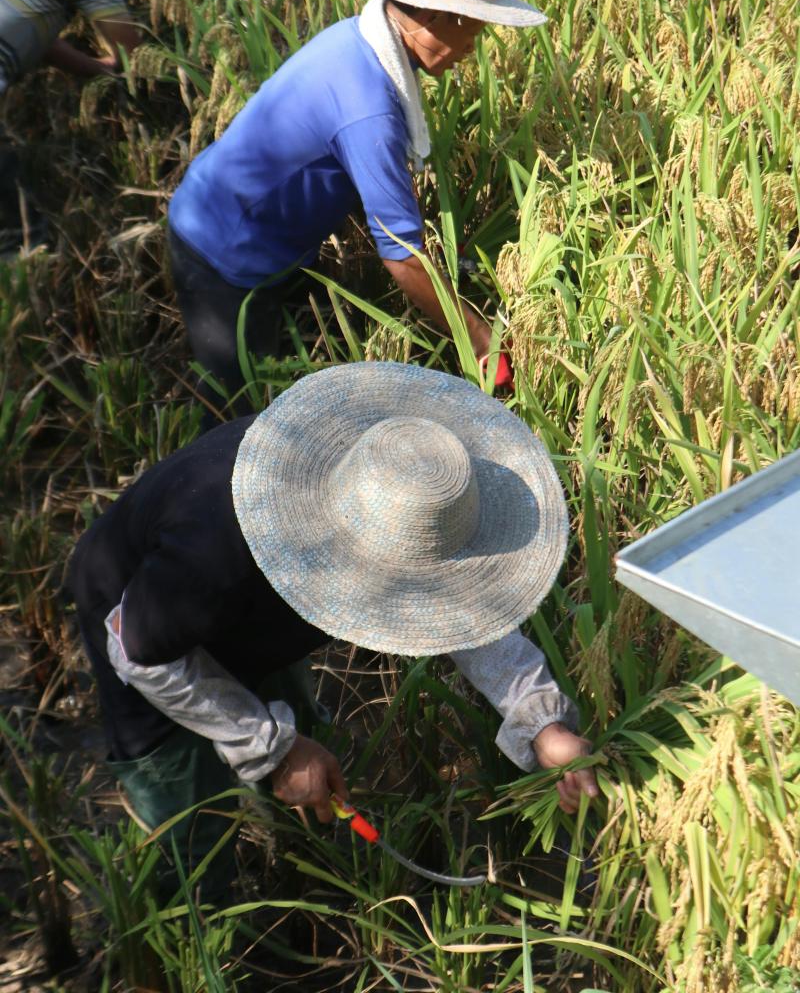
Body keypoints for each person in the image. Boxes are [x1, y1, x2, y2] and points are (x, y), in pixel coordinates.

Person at [67, 360, 599, 899]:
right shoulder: (214, 558)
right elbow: (135, 652)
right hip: (139, 626)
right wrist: (270, 747)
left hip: (252, 614)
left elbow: (459, 601)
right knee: (188, 840)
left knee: (306, 744)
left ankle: (299, 873)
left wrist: (541, 722)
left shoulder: (402, 484)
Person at [167, 0, 543, 416]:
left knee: (272, 379)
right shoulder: (370, 109)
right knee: (237, 422)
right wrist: (483, 341)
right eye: (472, 30)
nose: (473, 49)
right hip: (222, 251)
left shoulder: (358, 39)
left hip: (243, 219)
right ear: (431, 19)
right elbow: (403, 259)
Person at [0, 0, 140, 242]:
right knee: (21, 237)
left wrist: (96, 68)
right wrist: (122, 67)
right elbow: (128, 49)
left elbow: (34, 34)